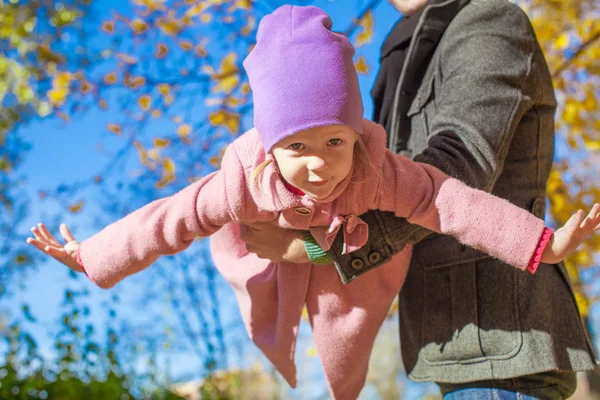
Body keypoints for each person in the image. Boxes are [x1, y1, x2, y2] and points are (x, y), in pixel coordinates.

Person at [27, 4, 599, 400]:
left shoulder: (480, 28)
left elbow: (451, 190)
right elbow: (169, 218)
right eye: (298, 146)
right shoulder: (249, 177)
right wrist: (94, 255)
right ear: (272, 149)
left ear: (354, 137)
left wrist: (540, 244)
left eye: (335, 142)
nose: (321, 163)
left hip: (500, 336)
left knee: (344, 332)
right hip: (436, 334)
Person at [239, 0, 600, 399]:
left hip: (502, 347)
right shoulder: (401, 54)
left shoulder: (488, 20)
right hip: (455, 343)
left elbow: (456, 170)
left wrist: (317, 247)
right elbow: (376, 187)